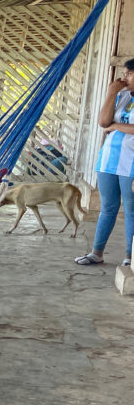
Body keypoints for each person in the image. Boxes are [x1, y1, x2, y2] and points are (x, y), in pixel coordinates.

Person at [75, 58, 134, 266]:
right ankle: (97, 253)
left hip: (131, 162)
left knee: (130, 209)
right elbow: (103, 122)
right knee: (108, 207)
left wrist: (116, 126)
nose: (124, 77)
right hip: (109, 159)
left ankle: (130, 257)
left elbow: (115, 126)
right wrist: (111, 92)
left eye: (128, 73)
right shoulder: (123, 95)